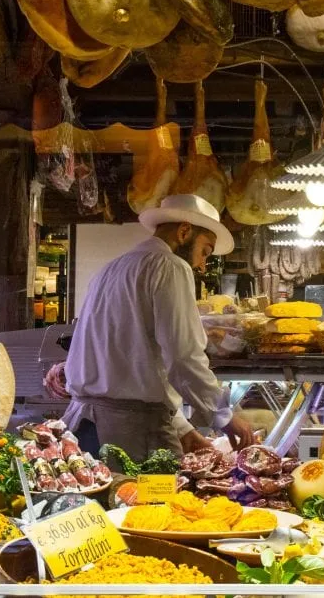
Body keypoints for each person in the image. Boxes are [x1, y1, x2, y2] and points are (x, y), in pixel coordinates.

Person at [62, 194, 255, 461]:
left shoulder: (109, 270)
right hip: (132, 434)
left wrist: (183, 429)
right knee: (152, 503)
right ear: (184, 231)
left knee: (100, 503)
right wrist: (223, 415)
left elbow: (135, 364)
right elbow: (182, 356)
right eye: (205, 251)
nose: (201, 265)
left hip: (83, 426)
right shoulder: (170, 266)